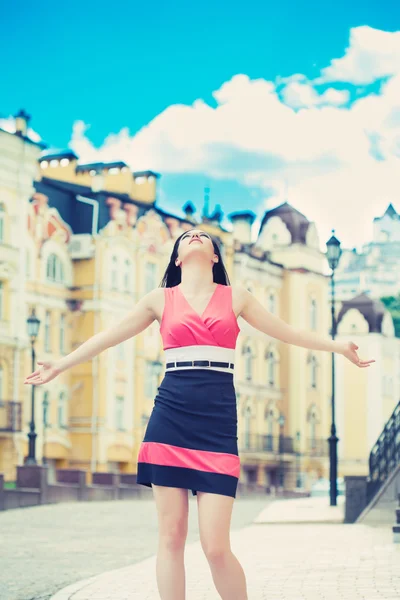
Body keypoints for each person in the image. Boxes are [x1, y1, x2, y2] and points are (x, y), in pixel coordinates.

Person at [24, 228, 375, 600]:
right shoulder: (159, 299)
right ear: (176, 257)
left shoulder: (236, 297)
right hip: (170, 418)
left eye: (202, 236)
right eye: (187, 235)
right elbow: (110, 335)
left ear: (215, 257)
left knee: (215, 546)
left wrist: (338, 346)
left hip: (217, 422)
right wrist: (61, 364)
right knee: (171, 537)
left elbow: (285, 332)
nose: (194, 236)